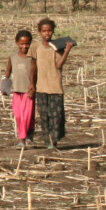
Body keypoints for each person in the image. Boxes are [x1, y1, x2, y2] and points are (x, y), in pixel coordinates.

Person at [27, 18, 74, 148]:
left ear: (53, 31)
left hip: (55, 86)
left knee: (56, 116)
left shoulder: (58, 46)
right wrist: (32, 84)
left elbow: (59, 65)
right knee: (44, 116)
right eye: (44, 31)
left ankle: (54, 140)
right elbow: (33, 66)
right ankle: (48, 142)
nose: (47, 33)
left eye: (49, 31)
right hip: (41, 86)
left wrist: (67, 51)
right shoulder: (35, 46)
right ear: (40, 32)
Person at [4, 29, 36, 142]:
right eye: (22, 43)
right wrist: (4, 87)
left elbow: (34, 73)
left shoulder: (32, 58)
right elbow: (8, 73)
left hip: (28, 91)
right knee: (18, 116)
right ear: (17, 43)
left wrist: (33, 86)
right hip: (16, 91)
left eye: (27, 43)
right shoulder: (13, 57)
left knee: (26, 116)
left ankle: (22, 139)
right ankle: (30, 130)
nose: (25, 46)